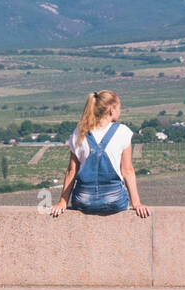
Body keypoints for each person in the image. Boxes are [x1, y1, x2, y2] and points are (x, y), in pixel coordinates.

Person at [50, 89, 150, 218]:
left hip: (83, 201)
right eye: (119, 108)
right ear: (111, 110)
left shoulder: (79, 132)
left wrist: (62, 202)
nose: (120, 111)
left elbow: (72, 171)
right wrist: (137, 203)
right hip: (114, 201)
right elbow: (127, 171)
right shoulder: (123, 132)